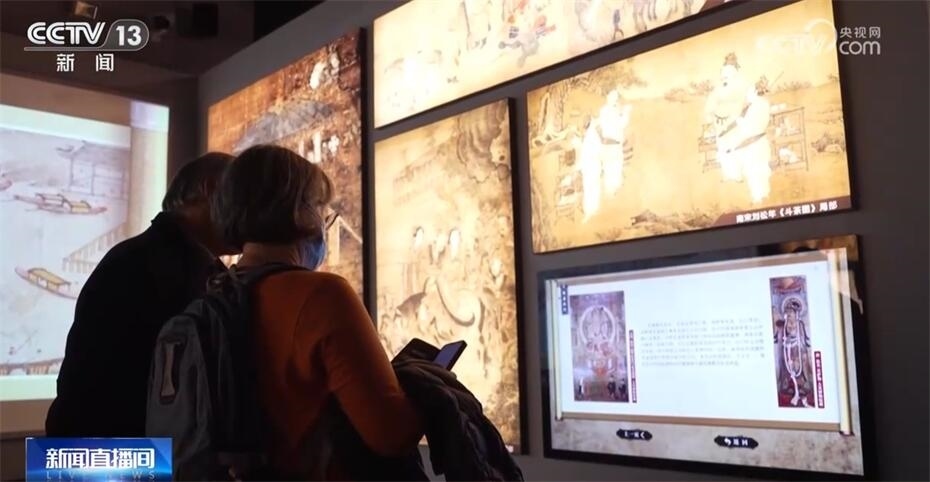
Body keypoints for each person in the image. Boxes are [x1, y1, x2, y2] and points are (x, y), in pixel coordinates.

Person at [211, 144, 422, 478]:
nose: (325, 226)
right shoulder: (323, 295)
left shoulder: (212, 295)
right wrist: (427, 386)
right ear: (301, 213)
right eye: (324, 213)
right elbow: (390, 434)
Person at [46, 152, 236, 437]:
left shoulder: (145, 256)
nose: (249, 216)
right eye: (241, 199)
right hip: (113, 449)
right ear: (209, 188)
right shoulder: (163, 267)